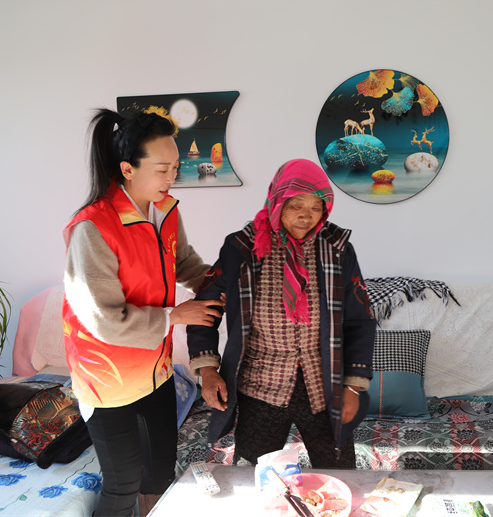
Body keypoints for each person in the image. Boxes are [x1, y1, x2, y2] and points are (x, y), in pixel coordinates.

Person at [62, 108, 224, 517]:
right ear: (127, 169)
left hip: (156, 370)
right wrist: (175, 316)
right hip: (108, 380)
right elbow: (104, 320)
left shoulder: (164, 209)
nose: (173, 177)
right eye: (163, 169)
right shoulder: (93, 228)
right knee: (122, 487)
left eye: (176, 167)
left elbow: (184, 262)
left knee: (160, 475)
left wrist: (224, 286)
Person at [187, 158, 376, 468]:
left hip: (324, 386)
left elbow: (360, 318)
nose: (306, 215)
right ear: (276, 201)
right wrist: (208, 370)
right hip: (260, 386)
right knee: (257, 474)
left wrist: (353, 385)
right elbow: (205, 308)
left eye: (316, 207)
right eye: (295, 205)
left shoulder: (337, 249)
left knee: (339, 474)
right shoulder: (241, 248)